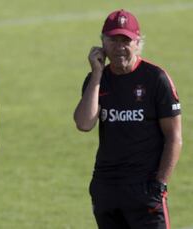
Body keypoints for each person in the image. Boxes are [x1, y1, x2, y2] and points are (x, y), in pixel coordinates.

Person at [73, 9, 182, 229]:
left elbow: (174, 137)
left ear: (137, 42)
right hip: (106, 189)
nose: (119, 47)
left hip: (145, 190)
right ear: (102, 43)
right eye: (113, 40)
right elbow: (84, 123)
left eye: (126, 40)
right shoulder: (97, 80)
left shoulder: (156, 79)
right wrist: (96, 74)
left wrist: (160, 183)